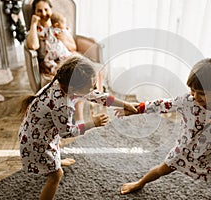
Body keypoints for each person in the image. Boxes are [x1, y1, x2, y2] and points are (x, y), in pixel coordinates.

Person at [116, 58, 211, 200]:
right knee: (161, 170)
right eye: (192, 91)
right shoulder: (187, 101)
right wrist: (136, 109)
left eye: (201, 94)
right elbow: (161, 104)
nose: (195, 96)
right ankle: (140, 183)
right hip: (184, 150)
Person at [18, 55, 138, 200]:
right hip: (36, 143)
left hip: (35, 131)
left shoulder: (61, 82)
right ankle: (53, 168)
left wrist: (124, 104)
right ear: (74, 88)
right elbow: (67, 132)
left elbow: (97, 96)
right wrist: (92, 123)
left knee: (54, 153)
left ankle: (55, 161)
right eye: (91, 85)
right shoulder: (63, 105)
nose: (94, 88)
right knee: (57, 175)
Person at [26, 0, 77, 86]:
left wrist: (64, 40)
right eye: (39, 10)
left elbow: (74, 47)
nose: (43, 13)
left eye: (46, 9)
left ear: (51, 10)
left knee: (87, 69)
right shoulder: (36, 31)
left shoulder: (59, 26)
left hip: (65, 57)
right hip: (50, 62)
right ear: (34, 13)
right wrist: (33, 24)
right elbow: (33, 46)